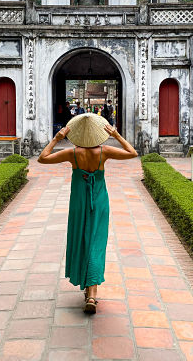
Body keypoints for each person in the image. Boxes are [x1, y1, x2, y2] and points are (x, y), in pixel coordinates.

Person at [38, 114, 137, 313]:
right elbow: (132, 153)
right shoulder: (105, 151)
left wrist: (57, 138)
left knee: (81, 240)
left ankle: (88, 288)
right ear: (97, 134)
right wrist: (116, 135)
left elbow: (42, 158)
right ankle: (92, 294)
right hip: (99, 202)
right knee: (96, 243)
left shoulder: (72, 153)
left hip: (79, 202)